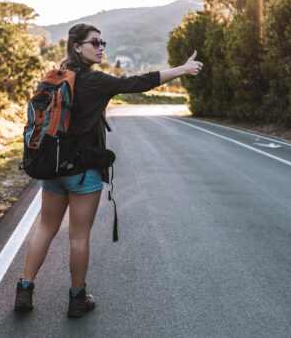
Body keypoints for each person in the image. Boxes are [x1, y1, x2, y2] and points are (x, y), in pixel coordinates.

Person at [14, 23, 202, 318]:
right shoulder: (94, 80)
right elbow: (139, 82)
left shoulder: (57, 77)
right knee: (78, 236)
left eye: (103, 43)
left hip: (51, 167)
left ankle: (24, 291)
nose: (101, 47)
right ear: (77, 46)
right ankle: (77, 299)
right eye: (95, 43)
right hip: (83, 171)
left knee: (46, 228)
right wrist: (181, 69)